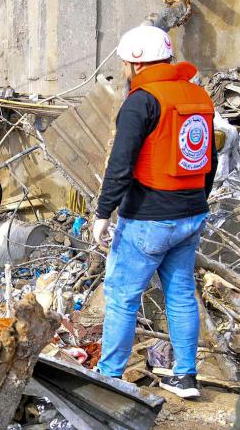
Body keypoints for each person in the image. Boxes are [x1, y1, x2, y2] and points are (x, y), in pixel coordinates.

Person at [92, 25, 217, 399]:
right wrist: (196, 201)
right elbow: (206, 160)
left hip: (148, 218)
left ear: (135, 62)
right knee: (180, 294)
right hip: (191, 212)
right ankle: (185, 377)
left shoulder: (141, 100)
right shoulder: (197, 95)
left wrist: (103, 214)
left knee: (122, 296)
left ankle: (109, 377)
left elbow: (121, 164)